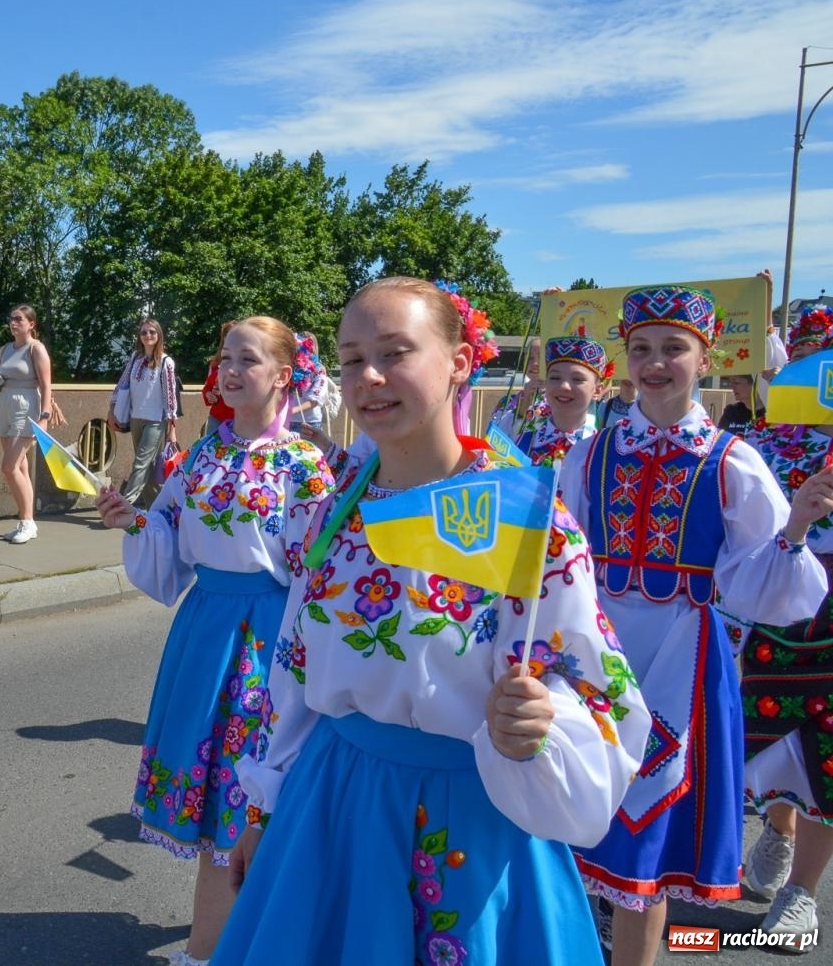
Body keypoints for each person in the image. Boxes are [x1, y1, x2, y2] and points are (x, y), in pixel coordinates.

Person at [213, 278, 646, 965]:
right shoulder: (331, 516)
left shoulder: (530, 524)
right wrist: (264, 811)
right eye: (352, 359)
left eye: (396, 352)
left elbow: (605, 701)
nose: (370, 377)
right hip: (332, 810)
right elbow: (293, 674)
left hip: (473, 828)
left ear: (460, 363)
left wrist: (540, 721)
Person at [559, 286, 831, 966]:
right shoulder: (589, 456)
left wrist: (796, 524)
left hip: (684, 661)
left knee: (646, 848)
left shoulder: (731, 460)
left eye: (674, 349)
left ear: (705, 357)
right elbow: (559, 557)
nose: (656, 364)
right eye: (643, 349)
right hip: (600, 653)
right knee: (571, 830)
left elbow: (755, 586)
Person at [95, 317, 332, 966]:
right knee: (215, 814)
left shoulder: (304, 466)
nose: (230, 369)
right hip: (204, 634)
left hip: (265, 645)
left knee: (241, 810)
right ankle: (222, 946)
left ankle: (212, 953)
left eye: (247, 359)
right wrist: (132, 521)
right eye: (226, 356)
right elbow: (167, 545)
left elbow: (321, 578)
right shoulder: (203, 453)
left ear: (283, 375)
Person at [739, 302, 833, 946]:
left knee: (830, 745)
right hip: (775, 610)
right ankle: (778, 830)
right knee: (773, 731)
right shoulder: (766, 441)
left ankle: (804, 890)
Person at [0, 304, 61, 544]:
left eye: (19, 319)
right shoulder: (5, 349)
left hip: (27, 406)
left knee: (9, 467)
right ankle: (27, 522)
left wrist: (45, 416)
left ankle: (27, 521)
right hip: (5, 404)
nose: (13, 322)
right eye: (11, 318)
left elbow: (47, 385)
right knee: (20, 468)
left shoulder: (36, 348)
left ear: (31, 324)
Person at [108, 318, 180, 506]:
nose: (148, 335)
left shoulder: (166, 362)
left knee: (140, 464)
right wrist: (111, 410)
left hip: (155, 421)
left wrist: (172, 430)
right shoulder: (135, 358)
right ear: (139, 337)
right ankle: (156, 508)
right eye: (144, 332)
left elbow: (170, 397)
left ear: (159, 335)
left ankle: (123, 505)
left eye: (152, 332)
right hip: (135, 418)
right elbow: (122, 384)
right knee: (150, 465)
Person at [512, 335, 611, 466]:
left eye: (577, 379)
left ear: (597, 390)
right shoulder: (523, 444)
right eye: (555, 378)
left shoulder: (605, 449)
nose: (564, 386)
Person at [199, 320, 237, 428]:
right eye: (227, 334)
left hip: (237, 418)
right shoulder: (215, 362)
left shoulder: (245, 362)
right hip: (216, 416)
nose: (230, 337)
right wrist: (208, 394)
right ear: (223, 338)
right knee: (212, 445)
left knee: (231, 445)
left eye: (234, 333)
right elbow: (207, 387)